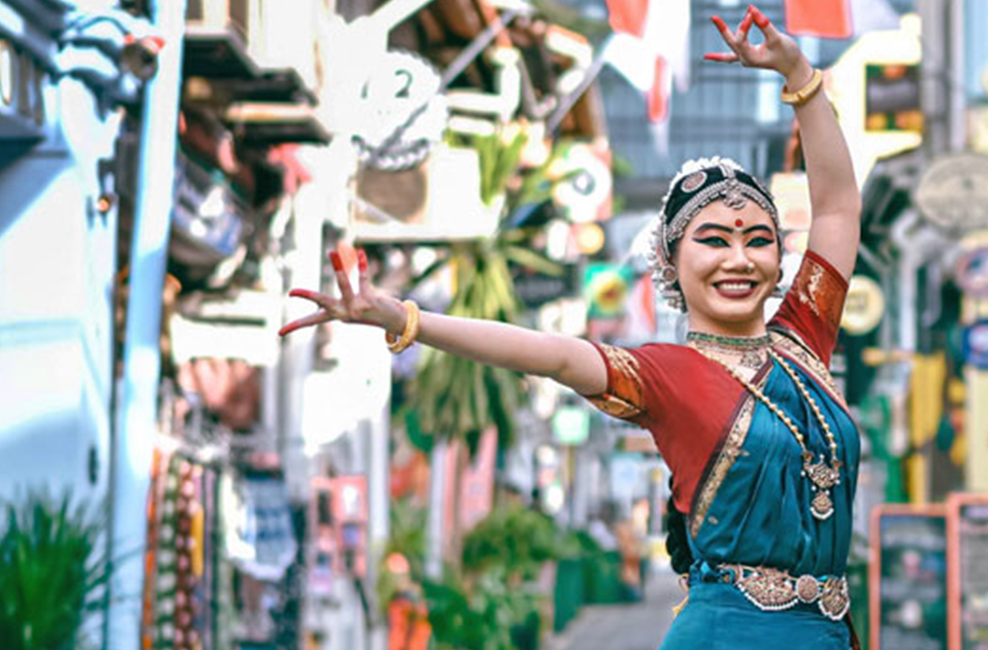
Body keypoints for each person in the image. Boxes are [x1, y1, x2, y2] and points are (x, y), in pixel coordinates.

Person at [278, 6, 862, 648]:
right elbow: (551, 356)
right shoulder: (667, 375)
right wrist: (407, 319)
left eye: (757, 240)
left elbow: (835, 205)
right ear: (670, 260)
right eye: (713, 240)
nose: (738, 259)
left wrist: (799, 75)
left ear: (780, 256)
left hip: (830, 631)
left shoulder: (804, 337)